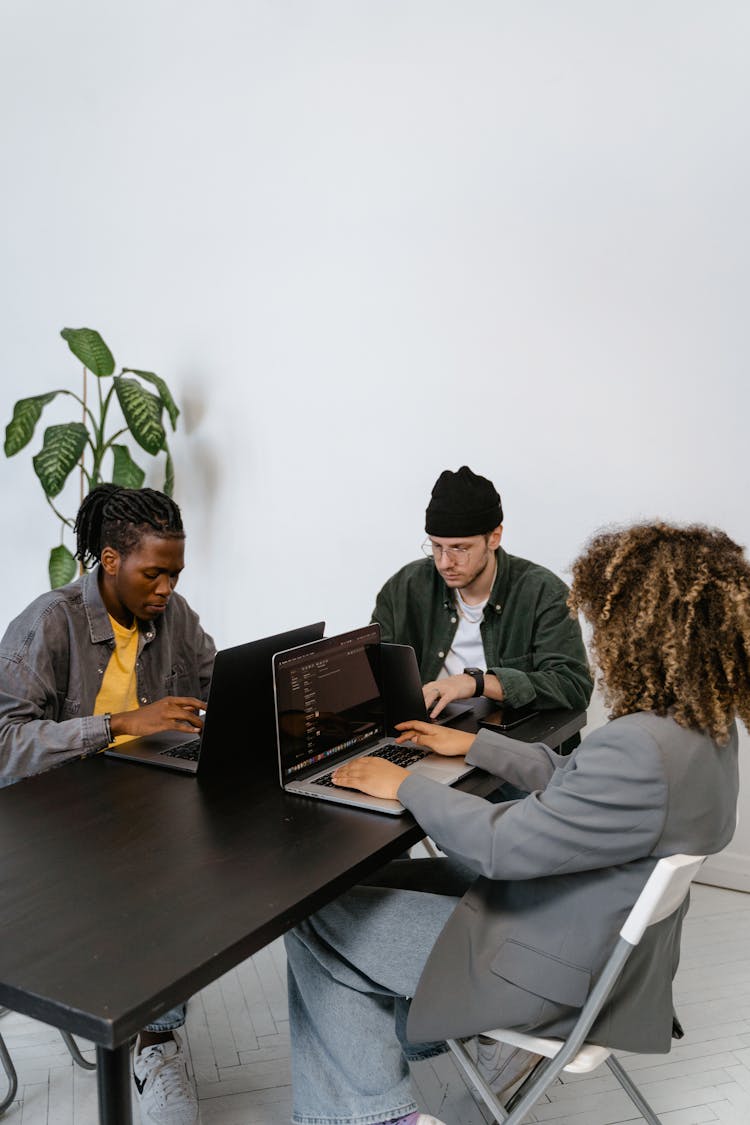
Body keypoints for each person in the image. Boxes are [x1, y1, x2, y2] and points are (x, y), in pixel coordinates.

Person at [284, 522, 747, 1125]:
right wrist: (471, 747)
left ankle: (380, 1113)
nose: (600, 640)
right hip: (596, 939)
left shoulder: (640, 748)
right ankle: (406, 1046)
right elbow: (579, 783)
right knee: (366, 886)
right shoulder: (701, 730)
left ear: (643, 632)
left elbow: (502, 846)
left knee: (311, 907)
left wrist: (406, 784)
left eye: (608, 625)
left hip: (545, 970)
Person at [0, 484, 215, 1125]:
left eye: (175, 574)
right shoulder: (51, 621)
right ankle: (150, 1035)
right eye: (154, 573)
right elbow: (4, 743)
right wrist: (120, 723)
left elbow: (214, 680)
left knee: (198, 863)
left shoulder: (173, 616)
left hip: (129, 811)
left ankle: (154, 1040)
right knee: (156, 878)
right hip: (43, 824)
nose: (166, 589)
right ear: (110, 558)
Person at [372, 466, 592, 725]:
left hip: (516, 745)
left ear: (494, 538)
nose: (444, 562)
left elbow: (573, 686)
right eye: (436, 546)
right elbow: (375, 677)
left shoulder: (543, 592)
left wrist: (476, 683)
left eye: (459, 548)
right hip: (429, 733)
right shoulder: (404, 587)